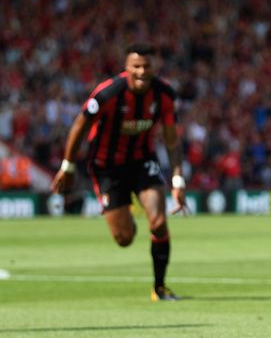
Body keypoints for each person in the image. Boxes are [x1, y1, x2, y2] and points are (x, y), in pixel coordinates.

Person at [50, 43, 187, 301]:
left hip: (142, 161)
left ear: (153, 68)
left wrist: (178, 180)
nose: (141, 72)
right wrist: (67, 166)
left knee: (158, 222)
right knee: (124, 238)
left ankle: (160, 288)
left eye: (146, 66)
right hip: (107, 166)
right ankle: (124, 214)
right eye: (136, 66)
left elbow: (171, 140)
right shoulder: (109, 93)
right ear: (126, 68)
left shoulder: (164, 94)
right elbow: (80, 125)